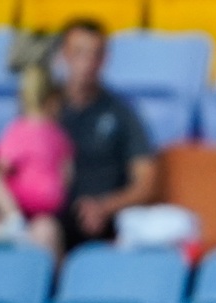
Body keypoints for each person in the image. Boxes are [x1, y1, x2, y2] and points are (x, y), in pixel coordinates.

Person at [51, 19, 155, 247]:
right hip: (50, 215)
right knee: (41, 230)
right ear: (62, 56)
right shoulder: (46, 112)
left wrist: (104, 207)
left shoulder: (122, 114)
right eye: (78, 53)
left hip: (106, 222)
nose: (87, 63)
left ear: (105, 59)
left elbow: (146, 184)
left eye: (95, 54)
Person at [0, 60, 71, 256]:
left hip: (33, 212)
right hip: (35, 210)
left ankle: (14, 222)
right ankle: (13, 224)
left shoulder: (25, 131)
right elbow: (66, 174)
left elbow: (2, 167)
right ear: (54, 101)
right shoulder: (54, 135)